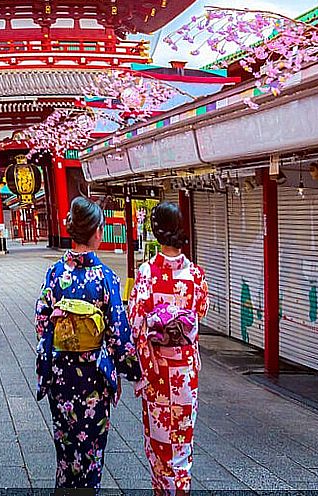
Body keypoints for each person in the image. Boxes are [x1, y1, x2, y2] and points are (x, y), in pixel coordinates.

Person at [35, 196, 140, 492]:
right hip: (93, 377)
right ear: (96, 232)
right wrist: (132, 370)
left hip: (61, 376)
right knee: (92, 448)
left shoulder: (56, 274)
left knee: (66, 445)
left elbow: (42, 321)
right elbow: (118, 333)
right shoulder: (105, 277)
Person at [128, 201, 209, 496]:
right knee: (183, 441)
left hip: (157, 371)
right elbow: (201, 312)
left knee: (160, 442)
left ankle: (162, 490)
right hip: (185, 371)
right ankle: (182, 489)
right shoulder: (195, 276)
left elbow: (136, 322)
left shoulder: (147, 273)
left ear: (156, 231)